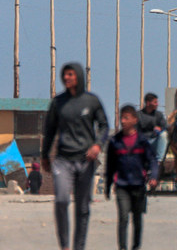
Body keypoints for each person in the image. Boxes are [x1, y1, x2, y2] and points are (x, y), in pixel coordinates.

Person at [42, 62, 109, 250]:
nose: (66, 78)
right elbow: (50, 130)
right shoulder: (58, 102)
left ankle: (79, 246)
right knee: (61, 200)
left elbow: (104, 126)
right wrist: (45, 155)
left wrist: (98, 145)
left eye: (70, 74)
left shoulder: (91, 101)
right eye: (64, 75)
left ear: (78, 76)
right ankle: (64, 245)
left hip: (86, 161)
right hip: (63, 160)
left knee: (82, 207)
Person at [105, 105, 159, 250]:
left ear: (134, 120)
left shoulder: (142, 141)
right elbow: (110, 166)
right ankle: (122, 247)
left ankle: (136, 246)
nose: (122, 121)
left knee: (137, 219)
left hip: (138, 186)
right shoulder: (115, 142)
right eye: (121, 118)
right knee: (123, 217)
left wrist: (153, 176)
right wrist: (107, 186)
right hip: (122, 185)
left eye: (126, 118)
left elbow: (152, 160)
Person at [137, 93, 168, 162]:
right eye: (155, 102)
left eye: (157, 102)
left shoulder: (159, 114)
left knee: (164, 134)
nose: (157, 104)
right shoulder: (138, 115)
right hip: (142, 143)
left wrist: (160, 128)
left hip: (155, 142)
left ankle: (159, 161)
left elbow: (165, 126)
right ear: (148, 103)